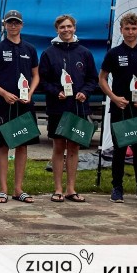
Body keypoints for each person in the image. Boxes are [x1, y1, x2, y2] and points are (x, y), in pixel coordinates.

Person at [99, 13, 137, 204]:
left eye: (134, 29)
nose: (130, 32)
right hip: (120, 108)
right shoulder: (114, 53)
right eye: (127, 28)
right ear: (121, 30)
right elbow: (102, 78)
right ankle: (117, 188)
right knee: (119, 150)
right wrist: (114, 98)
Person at [38, 14, 98, 203]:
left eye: (69, 26)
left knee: (73, 147)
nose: (66, 30)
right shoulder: (49, 53)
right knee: (58, 147)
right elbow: (43, 80)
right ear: (57, 30)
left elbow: (92, 79)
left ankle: (71, 189)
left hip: (78, 107)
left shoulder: (84, 53)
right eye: (62, 27)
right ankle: (57, 189)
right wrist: (56, 92)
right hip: (57, 107)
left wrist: (85, 92)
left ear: (74, 28)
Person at [0, 10, 40, 204]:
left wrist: (30, 94)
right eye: (10, 23)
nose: (13, 26)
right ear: (5, 25)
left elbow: (36, 75)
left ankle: (18, 189)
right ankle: (3, 190)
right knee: (3, 145)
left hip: (24, 105)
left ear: (22, 25)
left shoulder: (30, 49)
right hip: (3, 105)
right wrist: (3, 93)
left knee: (22, 145)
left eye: (16, 23)